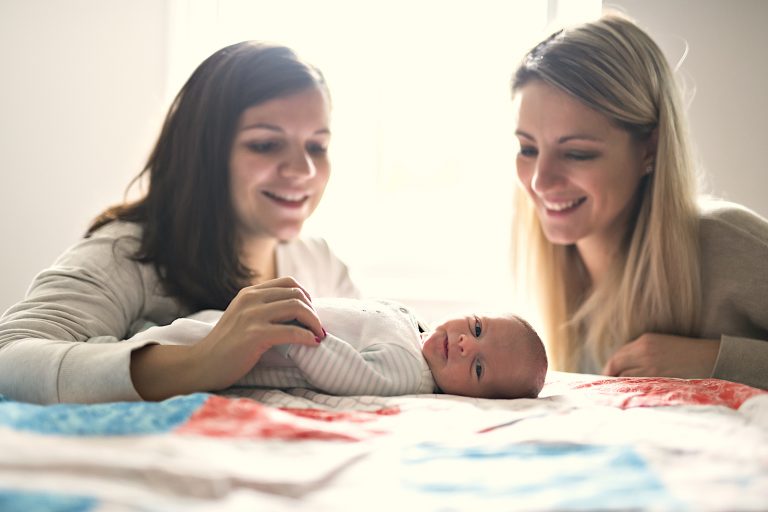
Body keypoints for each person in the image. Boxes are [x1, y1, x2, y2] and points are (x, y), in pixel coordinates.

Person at [0, 42, 360, 404]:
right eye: (266, 145)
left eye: (317, 147)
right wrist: (200, 361)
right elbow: (9, 356)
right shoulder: (128, 255)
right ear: (203, 151)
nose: (303, 170)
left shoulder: (320, 264)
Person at [509, 13, 768, 390]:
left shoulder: (724, 244)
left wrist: (711, 359)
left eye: (578, 153)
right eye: (527, 148)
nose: (539, 180)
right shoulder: (555, 270)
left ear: (650, 148)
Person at [127, 294, 548, 399]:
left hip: (261, 346)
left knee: (185, 339)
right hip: (248, 325)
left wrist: (293, 340)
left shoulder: (408, 373)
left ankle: (128, 342)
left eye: (477, 368)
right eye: (476, 329)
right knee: (194, 325)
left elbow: (347, 374)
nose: (461, 344)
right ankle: (142, 331)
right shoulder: (411, 330)